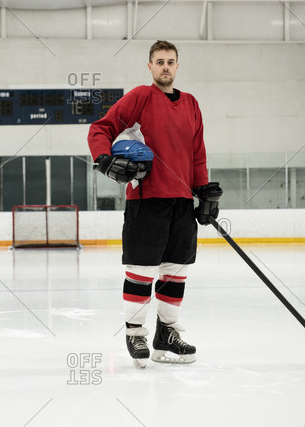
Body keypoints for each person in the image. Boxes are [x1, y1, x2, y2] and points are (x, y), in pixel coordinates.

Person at [87, 40, 222, 368]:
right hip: (146, 200)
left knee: (176, 271)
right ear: (150, 67)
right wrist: (104, 159)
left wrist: (203, 191)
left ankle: (167, 333)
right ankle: (135, 332)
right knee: (142, 270)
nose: (165, 67)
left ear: (177, 66)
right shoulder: (140, 97)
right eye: (159, 61)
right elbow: (100, 128)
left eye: (171, 62)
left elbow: (197, 153)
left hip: (181, 202)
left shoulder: (191, 103)